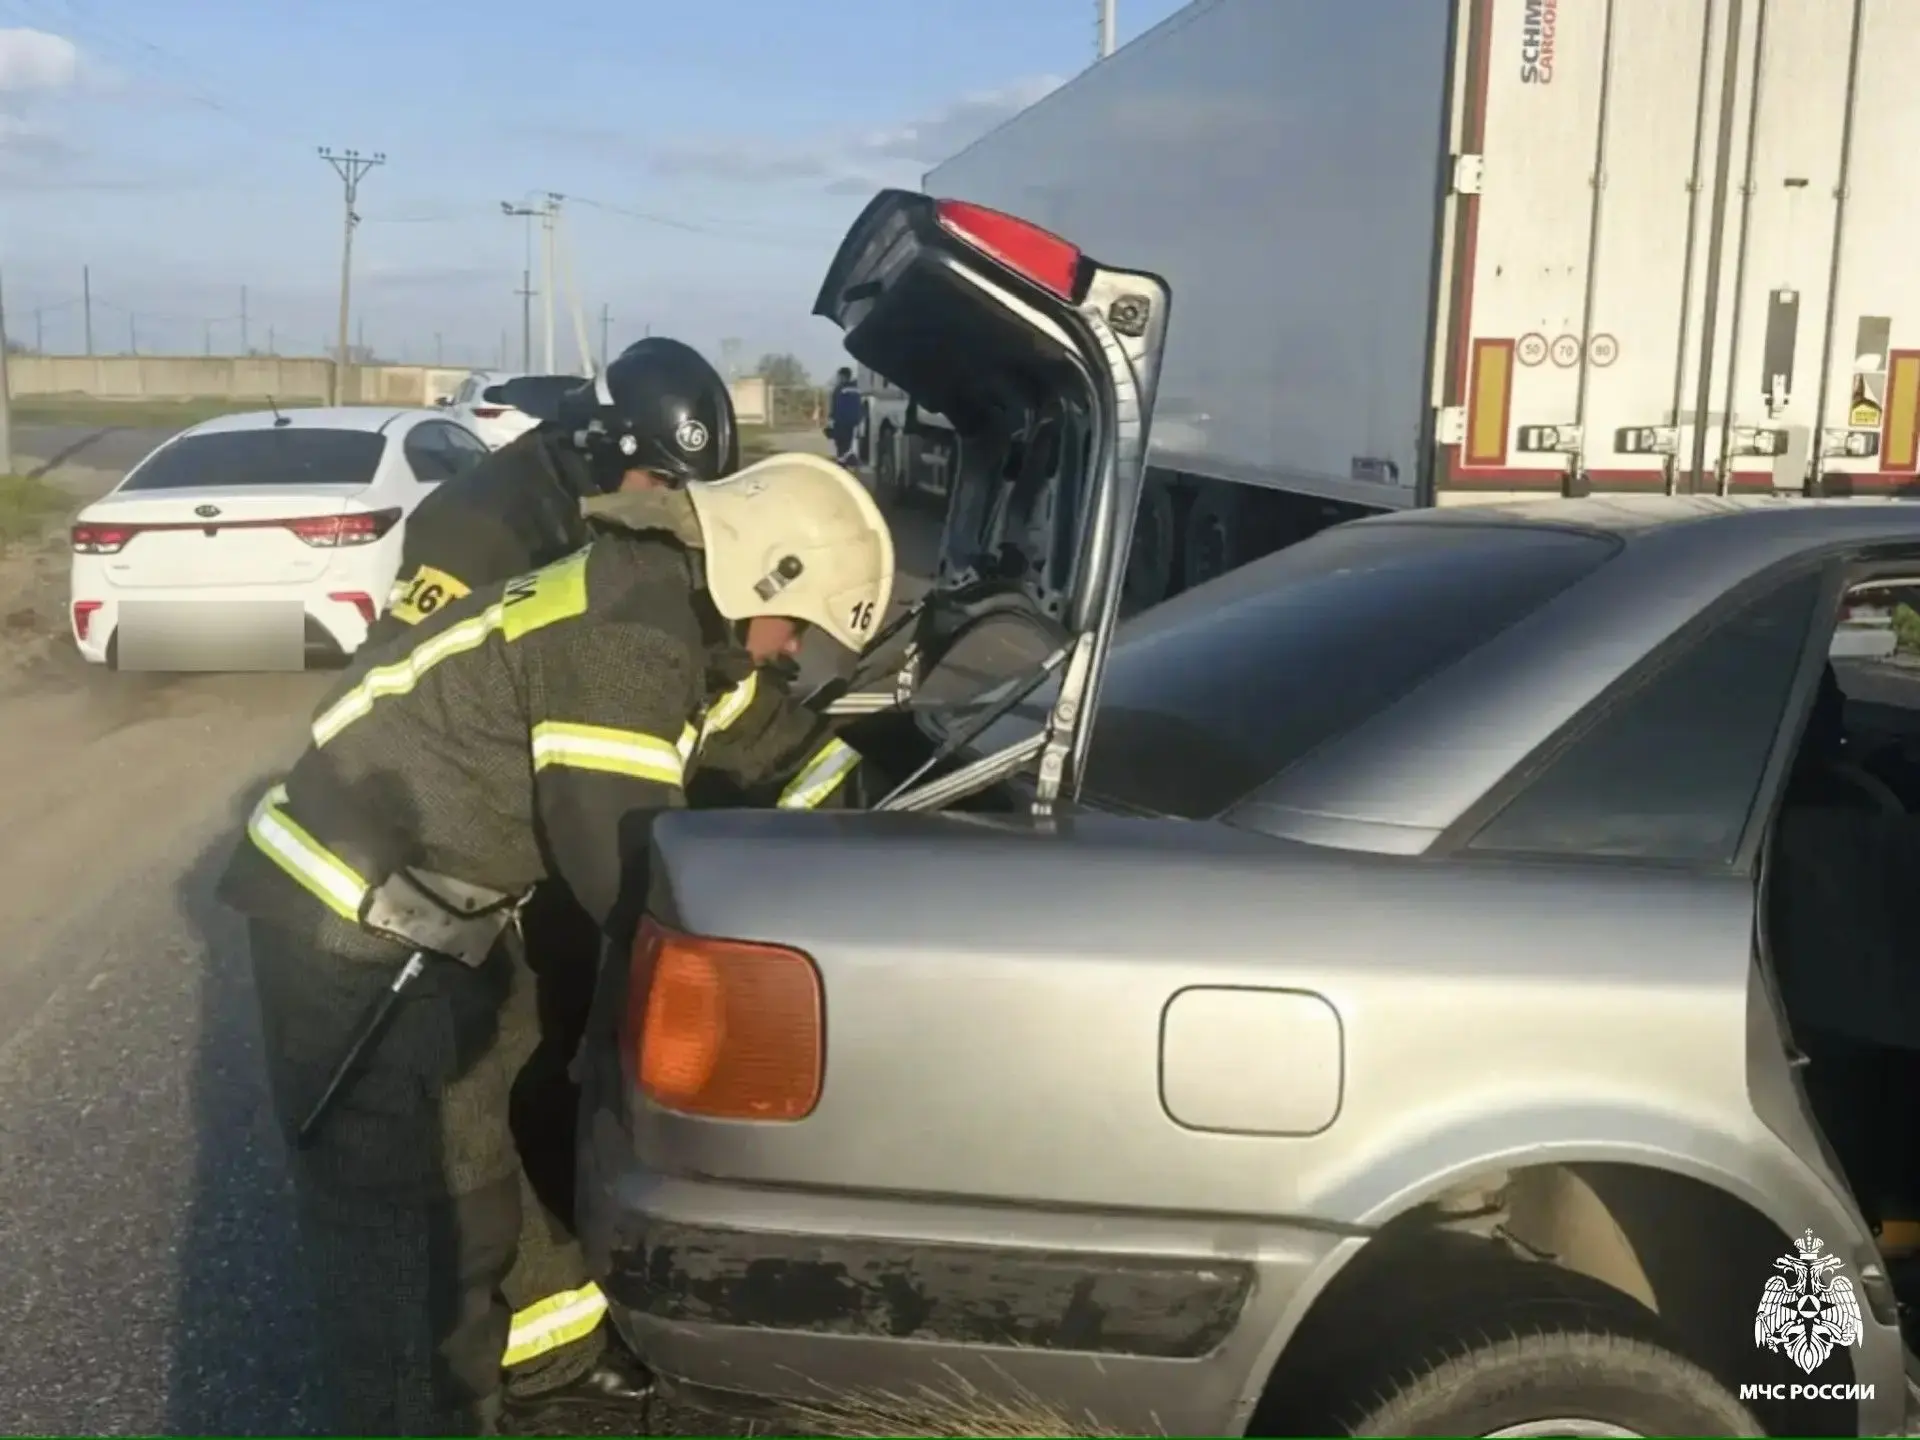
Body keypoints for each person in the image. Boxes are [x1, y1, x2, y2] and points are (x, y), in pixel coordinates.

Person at [218, 454, 893, 1436]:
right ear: (764, 571)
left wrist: (897, 812)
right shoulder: (626, 637)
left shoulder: (680, 620)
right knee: (410, 1224)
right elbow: (631, 872)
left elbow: (778, 750)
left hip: (454, 916)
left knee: (495, 1145)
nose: (792, 651)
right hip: (352, 926)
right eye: (798, 625)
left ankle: (552, 1364)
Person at [367, 337, 852, 1417]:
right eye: (656, 480)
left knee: (537, 1078)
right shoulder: (479, 528)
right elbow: (424, 701)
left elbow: (718, 692)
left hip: (542, 832)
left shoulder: (643, 552)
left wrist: (850, 808)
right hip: (463, 852)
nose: (666, 503)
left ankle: (554, 1336)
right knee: (496, 1097)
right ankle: (498, 1346)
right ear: (600, 444)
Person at [372, 336, 739, 648]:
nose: (675, 504)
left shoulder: (603, 505)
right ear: (607, 453)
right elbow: (396, 674)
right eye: (662, 481)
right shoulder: (477, 528)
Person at [827, 364, 863, 468]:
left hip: (841, 422)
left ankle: (842, 463)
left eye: (839, 376)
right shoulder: (857, 388)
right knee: (849, 443)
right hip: (854, 422)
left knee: (841, 445)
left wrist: (831, 420)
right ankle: (848, 459)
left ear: (842, 376)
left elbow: (835, 406)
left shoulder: (839, 389)